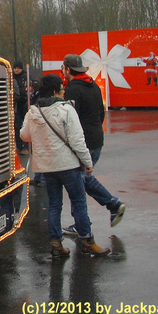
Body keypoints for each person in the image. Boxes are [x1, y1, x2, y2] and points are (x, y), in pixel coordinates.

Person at [21, 74, 109, 257]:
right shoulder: (66, 110)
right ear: (55, 91)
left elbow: (24, 136)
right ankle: (87, 240)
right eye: (61, 88)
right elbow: (77, 140)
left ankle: (55, 243)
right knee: (78, 202)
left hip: (46, 167)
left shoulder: (33, 112)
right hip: (67, 165)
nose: (63, 91)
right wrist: (87, 162)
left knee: (54, 204)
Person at [61, 54, 128, 233]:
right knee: (82, 179)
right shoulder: (94, 85)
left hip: (83, 142)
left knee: (78, 183)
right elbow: (101, 112)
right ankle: (111, 205)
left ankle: (84, 223)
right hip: (96, 138)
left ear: (67, 69)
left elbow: (70, 120)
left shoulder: (73, 90)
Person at [13, 63, 29, 150]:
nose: (16, 70)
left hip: (25, 103)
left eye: (18, 68)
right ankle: (19, 146)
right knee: (17, 125)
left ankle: (26, 146)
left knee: (25, 124)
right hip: (17, 105)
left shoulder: (25, 77)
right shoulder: (12, 77)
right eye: (15, 68)